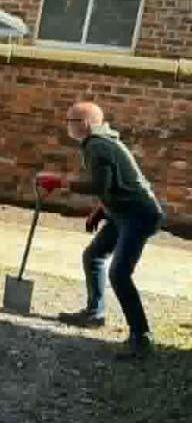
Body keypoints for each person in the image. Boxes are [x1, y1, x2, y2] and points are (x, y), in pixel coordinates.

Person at [37, 102, 164, 357]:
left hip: (139, 214)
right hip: (123, 211)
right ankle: (95, 313)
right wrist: (101, 210)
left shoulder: (98, 146)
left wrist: (61, 182)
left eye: (70, 121)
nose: (67, 126)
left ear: (84, 124)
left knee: (119, 273)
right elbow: (114, 186)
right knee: (93, 255)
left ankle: (142, 337)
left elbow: (100, 185)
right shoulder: (100, 142)